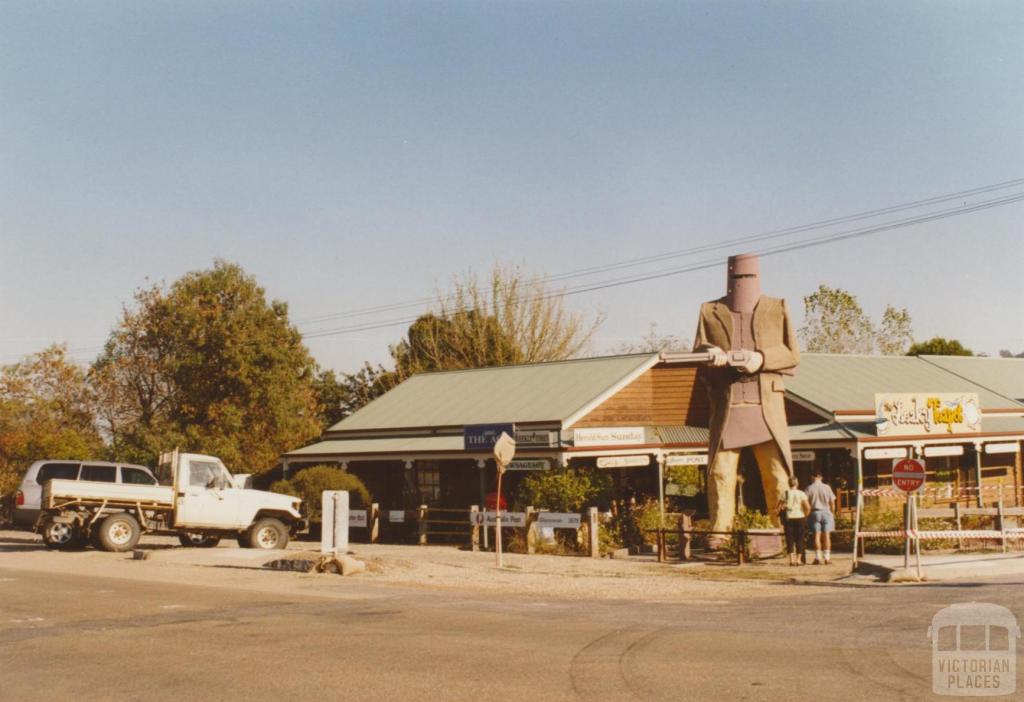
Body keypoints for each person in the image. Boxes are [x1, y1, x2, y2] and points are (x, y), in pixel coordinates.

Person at [694, 253, 800, 540]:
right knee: (721, 474)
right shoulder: (709, 310)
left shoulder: (776, 307)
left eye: (746, 276)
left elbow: (792, 354)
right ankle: (720, 533)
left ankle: (783, 530)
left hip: (766, 408)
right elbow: (698, 351)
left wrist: (761, 358)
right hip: (728, 409)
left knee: (777, 476)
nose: (741, 282)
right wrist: (709, 353)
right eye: (738, 276)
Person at [805, 470, 837, 564]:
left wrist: (807, 514)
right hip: (826, 512)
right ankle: (827, 558)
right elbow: (832, 503)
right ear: (821, 477)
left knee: (816, 535)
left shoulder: (809, 488)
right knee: (827, 535)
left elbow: (805, 503)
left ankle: (817, 557)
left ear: (812, 477)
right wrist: (832, 513)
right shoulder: (827, 487)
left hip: (814, 512)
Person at [777, 476, 810, 566]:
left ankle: (792, 560)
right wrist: (805, 515)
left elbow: (778, 507)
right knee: (800, 538)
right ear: (797, 483)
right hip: (800, 517)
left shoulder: (785, 493)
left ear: (789, 484)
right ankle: (799, 560)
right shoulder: (801, 493)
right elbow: (807, 507)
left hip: (789, 518)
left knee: (790, 539)